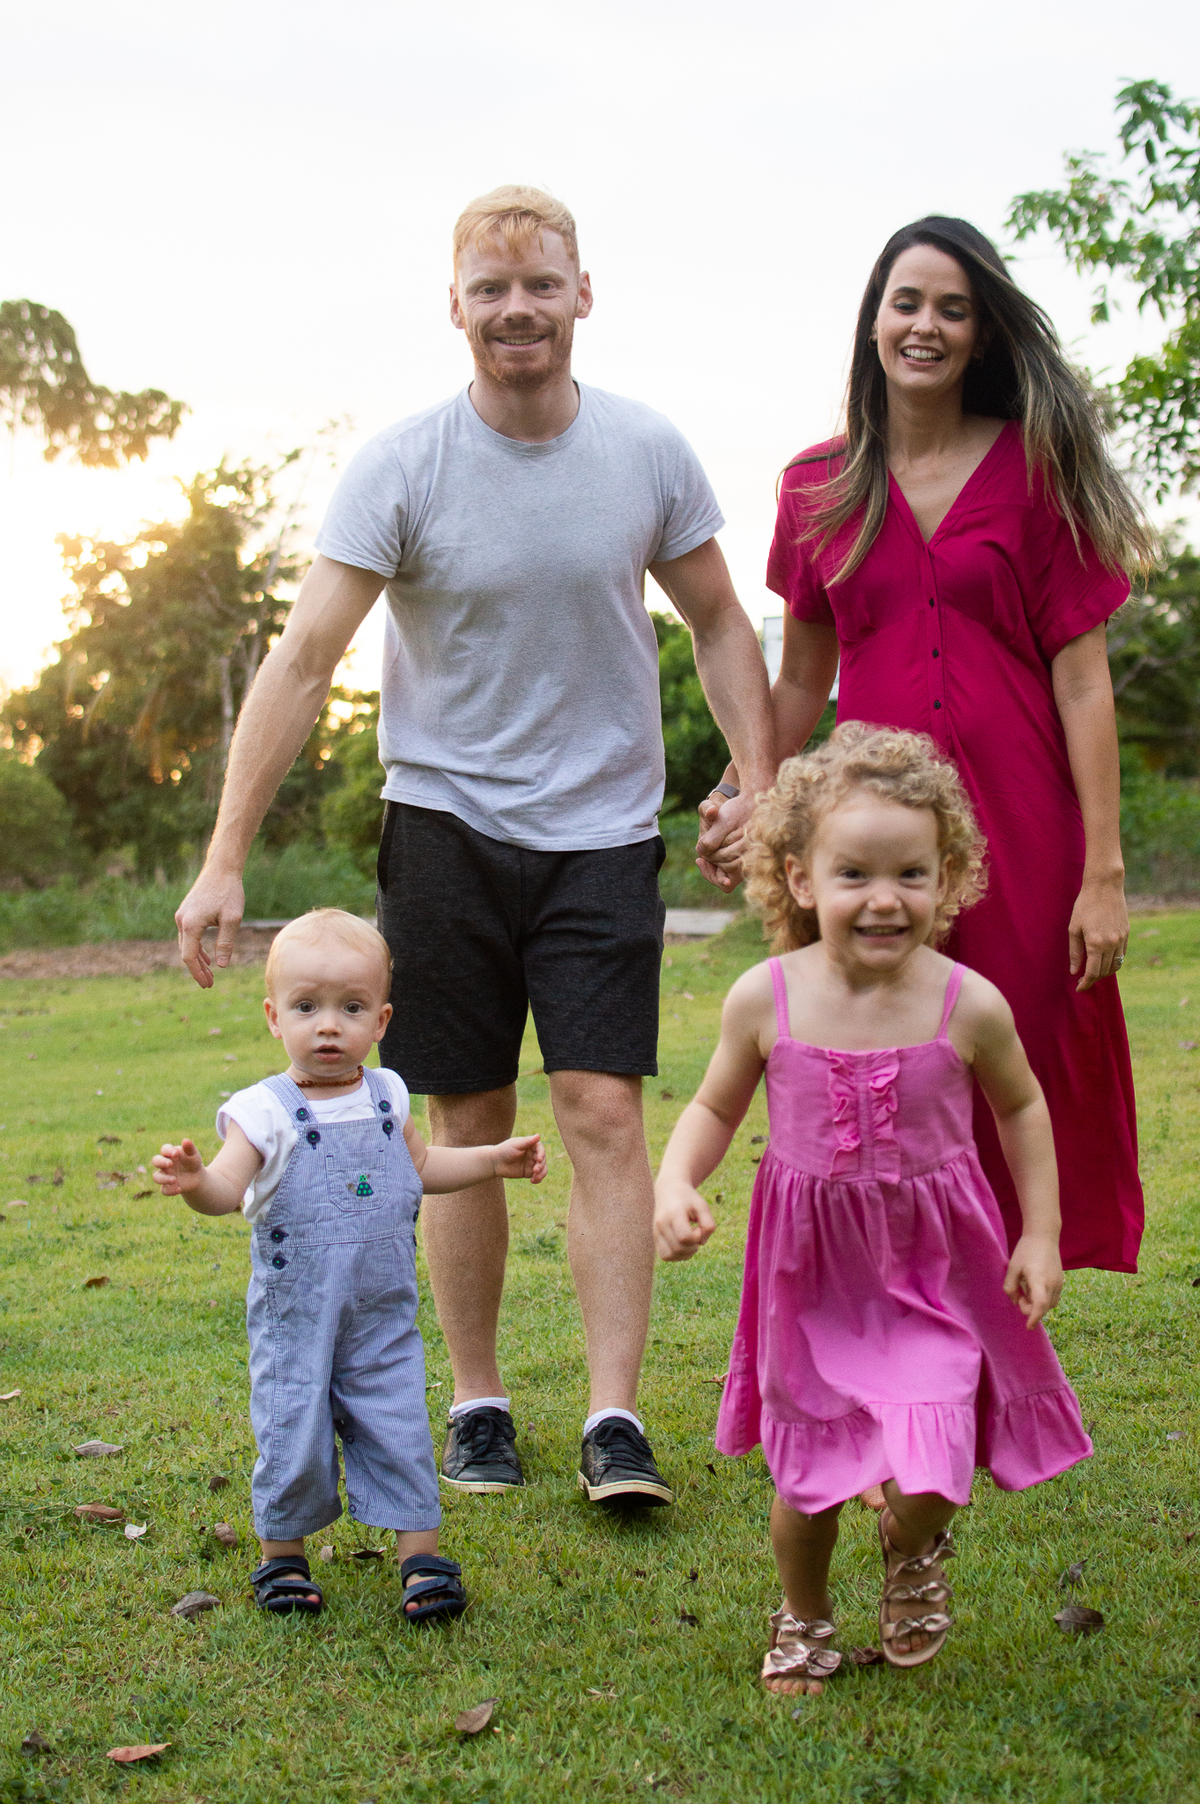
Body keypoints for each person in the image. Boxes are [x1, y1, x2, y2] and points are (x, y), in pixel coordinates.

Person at [174, 186, 775, 1508]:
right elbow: (304, 657)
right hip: (443, 826)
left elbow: (724, 624)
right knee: (465, 1116)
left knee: (604, 1110)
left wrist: (761, 778)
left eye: (541, 286)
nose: (518, 311)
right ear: (455, 306)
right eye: (492, 290)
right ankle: (482, 1402)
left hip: (603, 831)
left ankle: (615, 1420)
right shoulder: (402, 465)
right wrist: (225, 855)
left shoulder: (647, 452)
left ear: (582, 295)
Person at [698, 215, 1158, 1276]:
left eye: (954, 308)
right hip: (873, 824)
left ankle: (1008, 1286)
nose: (927, 325)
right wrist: (745, 789)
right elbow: (804, 673)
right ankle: (889, 1296)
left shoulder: (1036, 469)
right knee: (876, 1050)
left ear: (983, 334)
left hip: (1025, 821)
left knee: (1019, 1044)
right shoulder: (817, 483)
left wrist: (1104, 869)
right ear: (873, 324)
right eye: (907, 302)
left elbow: (1083, 679)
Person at [656, 726, 1093, 1690]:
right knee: (809, 1471)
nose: (884, 898)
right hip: (810, 1272)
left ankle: (911, 1541)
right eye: (854, 873)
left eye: (912, 874)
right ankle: (803, 1617)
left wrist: (1043, 1231)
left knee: (938, 1459)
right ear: (801, 880)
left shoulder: (966, 1003)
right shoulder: (763, 998)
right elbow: (713, 1105)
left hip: (939, 1266)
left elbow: (1022, 1107)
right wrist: (676, 1179)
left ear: (950, 880)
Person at [152, 909, 547, 1619]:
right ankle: (283, 1558)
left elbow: (421, 1167)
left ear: (383, 1019)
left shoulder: (387, 1096)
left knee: (397, 1422)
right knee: (292, 1426)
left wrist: (493, 1160)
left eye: (351, 1007)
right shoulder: (261, 1111)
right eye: (307, 1007)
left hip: (380, 1313)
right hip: (297, 1315)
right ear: (274, 1017)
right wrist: (193, 1183)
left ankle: (421, 1558)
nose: (328, 1026)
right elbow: (225, 1189)